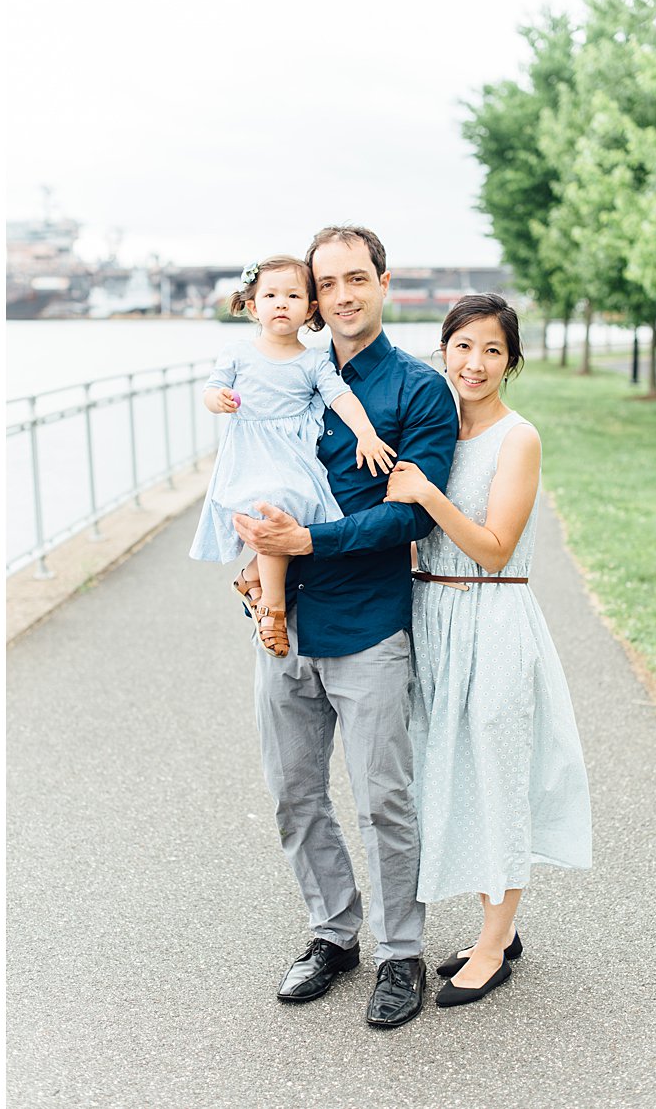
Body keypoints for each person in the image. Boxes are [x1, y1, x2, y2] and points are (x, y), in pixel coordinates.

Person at [234, 225, 459, 1028]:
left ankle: (401, 953)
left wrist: (309, 542)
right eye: (327, 285)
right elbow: (249, 472)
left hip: (367, 625)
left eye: (356, 278)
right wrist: (253, 552)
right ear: (313, 297)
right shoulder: (286, 377)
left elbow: (411, 519)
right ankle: (334, 934)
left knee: (383, 799)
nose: (342, 296)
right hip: (282, 625)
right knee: (294, 795)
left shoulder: (418, 391)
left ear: (385, 282)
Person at [382, 293, 592, 1008]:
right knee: (454, 774)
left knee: (496, 776)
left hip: (492, 615)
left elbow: (496, 549)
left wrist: (428, 497)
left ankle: (496, 945)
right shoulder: (430, 428)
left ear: (511, 361)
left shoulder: (517, 437)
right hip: (433, 615)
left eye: (492, 350)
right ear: (442, 350)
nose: (475, 363)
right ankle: (493, 927)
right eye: (463, 346)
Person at [190, 254, 396, 657]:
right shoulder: (237, 352)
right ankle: (274, 607)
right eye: (270, 295)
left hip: (292, 455)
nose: (281, 303)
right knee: (274, 503)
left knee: (289, 509)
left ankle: (256, 580)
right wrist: (220, 399)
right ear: (253, 306)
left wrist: (366, 434)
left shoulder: (313, 361)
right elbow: (210, 391)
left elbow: (342, 397)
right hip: (250, 452)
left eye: (293, 295)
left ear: (310, 309)